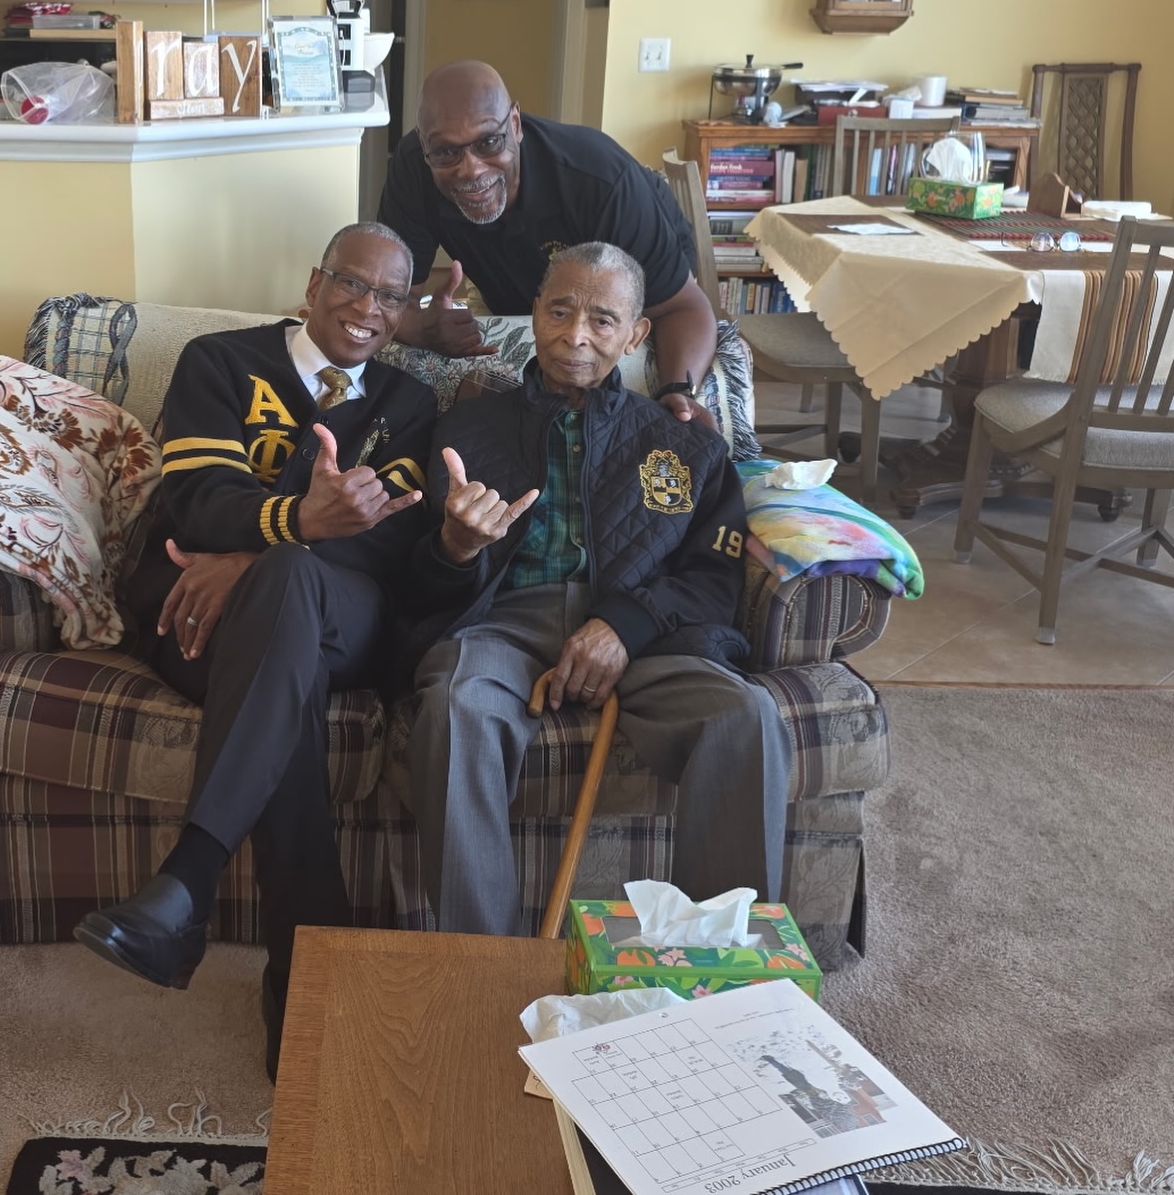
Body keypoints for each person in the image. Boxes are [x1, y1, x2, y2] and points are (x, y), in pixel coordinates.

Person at [74, 223, 436, 1082]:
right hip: (194, 616)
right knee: (286, 668)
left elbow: (391, 544)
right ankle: (304, 970)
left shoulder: (407, 405)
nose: (367, 308)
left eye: (390, 296)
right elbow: (198, 499)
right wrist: (299, 525)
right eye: (352, 284)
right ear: (315, 282)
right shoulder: (220, 361)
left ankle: (187, 882)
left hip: (336, 611)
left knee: (289, 587)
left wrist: (268, 549)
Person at [402, 241, 789, 936]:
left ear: (636, 335)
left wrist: (623, 625)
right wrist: (454, 548)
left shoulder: (687, 447)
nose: (575, 334)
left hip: (647, 633)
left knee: (744, 715)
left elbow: (712, 579)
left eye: (603, 320)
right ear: (535, 314)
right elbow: (419, 576)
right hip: (504, 622)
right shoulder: (466, 428)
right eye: (559, 309)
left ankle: (727, 966)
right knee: (456, 707)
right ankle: (485, 964)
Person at [377, 59, 720, 428]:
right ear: (424, 143)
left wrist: (679, 391)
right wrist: (421, 328)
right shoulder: (414, 167)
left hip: (644, 261)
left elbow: (684, 308)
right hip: (513, 291)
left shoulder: (600, 182)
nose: (471, 170)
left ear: (515, 124)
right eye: (446, 152)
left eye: (489, 142)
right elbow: (388, 300)